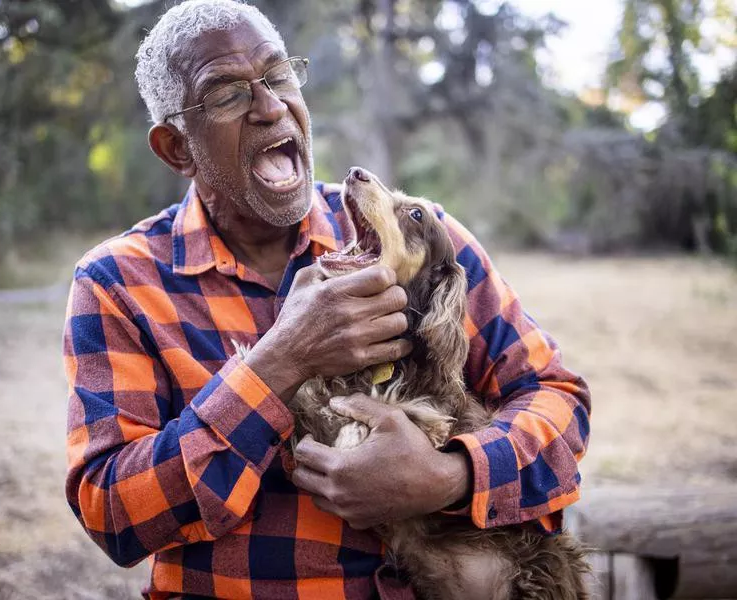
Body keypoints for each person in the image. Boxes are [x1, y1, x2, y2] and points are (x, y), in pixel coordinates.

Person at [63, 1, 591, 598]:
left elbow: (558, 399)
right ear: (177, 149)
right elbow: (112, 511)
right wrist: (281, 360)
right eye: (226, 94)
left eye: (279, 75)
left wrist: (451, 475)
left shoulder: (421, 239)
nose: (269, 106)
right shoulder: (118, 283)